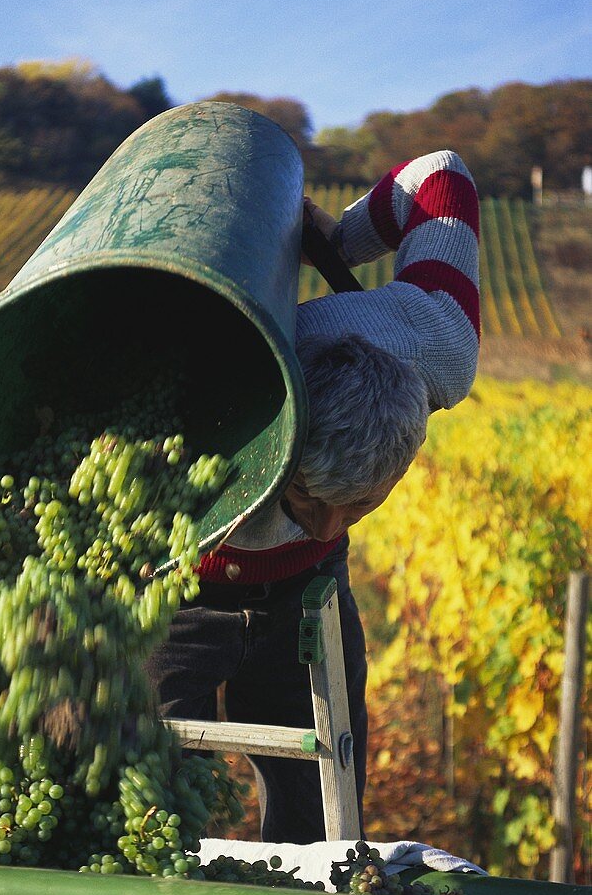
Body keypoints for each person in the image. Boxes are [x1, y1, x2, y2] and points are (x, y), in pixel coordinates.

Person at [147, 150, 480, 844]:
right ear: (280, 440)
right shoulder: (210, 393)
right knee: (142, 804)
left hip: (304, 593)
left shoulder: (438, 344)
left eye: (357, 506)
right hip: (169, 586)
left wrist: (338, 241)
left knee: (323, 826)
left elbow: (439, 175)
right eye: (302, 491)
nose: (324, 523)